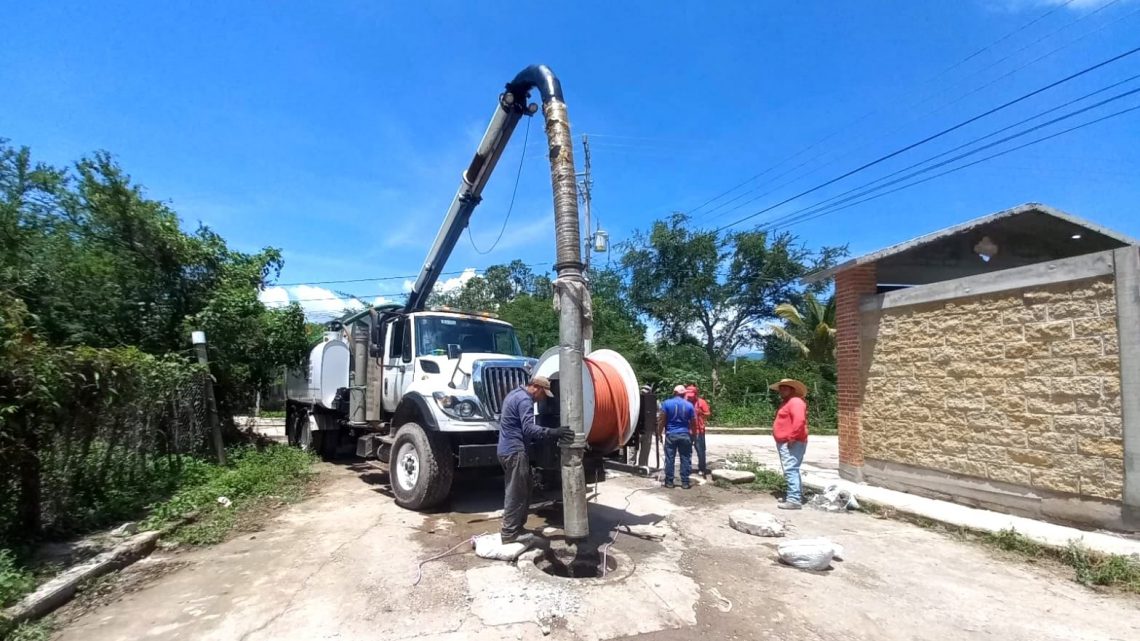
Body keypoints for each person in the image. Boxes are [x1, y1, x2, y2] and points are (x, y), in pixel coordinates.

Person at [497, 375, 573, 542]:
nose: (542, 399)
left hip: (506, 449)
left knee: (525, 488)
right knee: (516, 492)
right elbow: (529, 429)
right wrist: (553, 432)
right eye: (543, 394)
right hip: (515, 451)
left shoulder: (514, 394)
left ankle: (518, 528)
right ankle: (510, 533)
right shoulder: (525, 400)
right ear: (537, 388)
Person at [770, 378, 809, 510]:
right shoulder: (787, 402)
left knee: (790, 468)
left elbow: (799, 421)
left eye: (785, 387)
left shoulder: (795, 402)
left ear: (793, 389)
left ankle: (794, 499)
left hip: (792, 441)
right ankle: (795, 495)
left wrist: (792, 437)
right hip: (786, 441)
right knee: (791, 468)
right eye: (781, 388)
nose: (782, 390)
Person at [657, 384, 696, 489]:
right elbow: (693, 422)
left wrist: (659, 433)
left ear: (674, 393)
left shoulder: (666, 403)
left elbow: (662, 420)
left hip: (671, 435)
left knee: (670, 459)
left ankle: (669, 482)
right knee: (685, 458)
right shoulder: (689, 405)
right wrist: (694, 435)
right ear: (684, 394)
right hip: (685, 434)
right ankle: (685, 482)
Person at [685, 384, 711, 478]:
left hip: (699, 430)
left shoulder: (701, 402)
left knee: (700, 451)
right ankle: (687, 468)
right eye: (689, 396)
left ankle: (702, 469)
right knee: (686, 451)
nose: (690, 398)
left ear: (696, 394)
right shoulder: (685, 402)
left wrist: (702, 413)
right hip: (687, 430)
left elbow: (708, 414)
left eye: (692, 396)